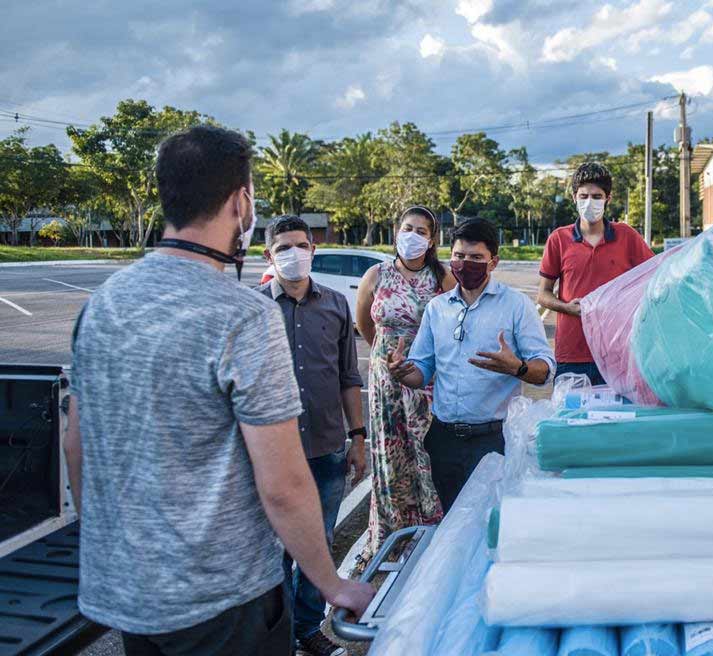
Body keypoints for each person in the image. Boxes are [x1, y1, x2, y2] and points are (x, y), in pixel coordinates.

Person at [62, 125, 373, 656]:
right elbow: (282, 481)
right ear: (241, 201)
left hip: (131, 595)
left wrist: (111, 546)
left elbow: (77, 441)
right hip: (222, 604)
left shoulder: (104, 303)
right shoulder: (243, 315)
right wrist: (332, 582)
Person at [388, 218, 554, 509]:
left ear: (493, 262)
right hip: (443, 439)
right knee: (453, 523)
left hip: (494, 440)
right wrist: (403, 372)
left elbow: (545, 371)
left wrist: (518, 367)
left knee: (491, 523)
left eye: (476, 258)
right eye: (459, 256)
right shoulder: (437, 309)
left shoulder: (517, 306)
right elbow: (421, 370)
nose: (466, 264)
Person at [258, 215, 367, 656]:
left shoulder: (337, 305)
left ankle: (306, 628)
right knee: (274, 552)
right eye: (283, 248)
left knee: (317, 545)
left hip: (325, 447)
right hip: (273, 453)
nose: (293, 254)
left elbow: (347, 376)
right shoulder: (254, 309)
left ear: (313, 249)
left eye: (300, 245)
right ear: (268, 256)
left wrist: (357, 436)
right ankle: (276, 635)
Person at [355, 206, 454, 561]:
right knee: (389, 454)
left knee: (425, 452)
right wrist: (386, 355)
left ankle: (428, 531)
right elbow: (366, 325)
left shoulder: (441, 277)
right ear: (396, 231)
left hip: (426, 379)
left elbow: (454, 324)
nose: (413, 235)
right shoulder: (376, 275)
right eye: (407, 228)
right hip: (386, 382)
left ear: (432, 240)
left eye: (422, 231)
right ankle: (391, 532)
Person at [537, 162, 654, 385]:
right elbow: (543, 295)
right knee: (571, 418)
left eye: (597, 196)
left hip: (617, 351)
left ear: (608, 199)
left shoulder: (627, 236)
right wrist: (567, 307)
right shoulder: (558, 239)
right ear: (574, 197)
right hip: (572, 352)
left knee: (615, 418)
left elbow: (652, 278)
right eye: (584, 196)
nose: (589, 202)